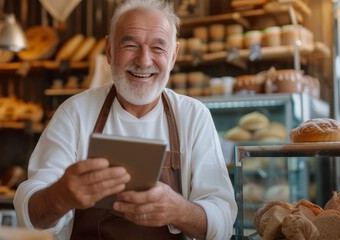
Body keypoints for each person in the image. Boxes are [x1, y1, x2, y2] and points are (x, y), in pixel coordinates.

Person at [13, 0, 237, 239]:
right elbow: (29, 216)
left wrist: (178, 210)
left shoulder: (193, 116)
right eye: (130, 45)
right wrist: (60, 196)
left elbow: (222, 220)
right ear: (109, 50)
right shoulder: (75, 113)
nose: (144, 61)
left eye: (158, 48)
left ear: (173, 56)